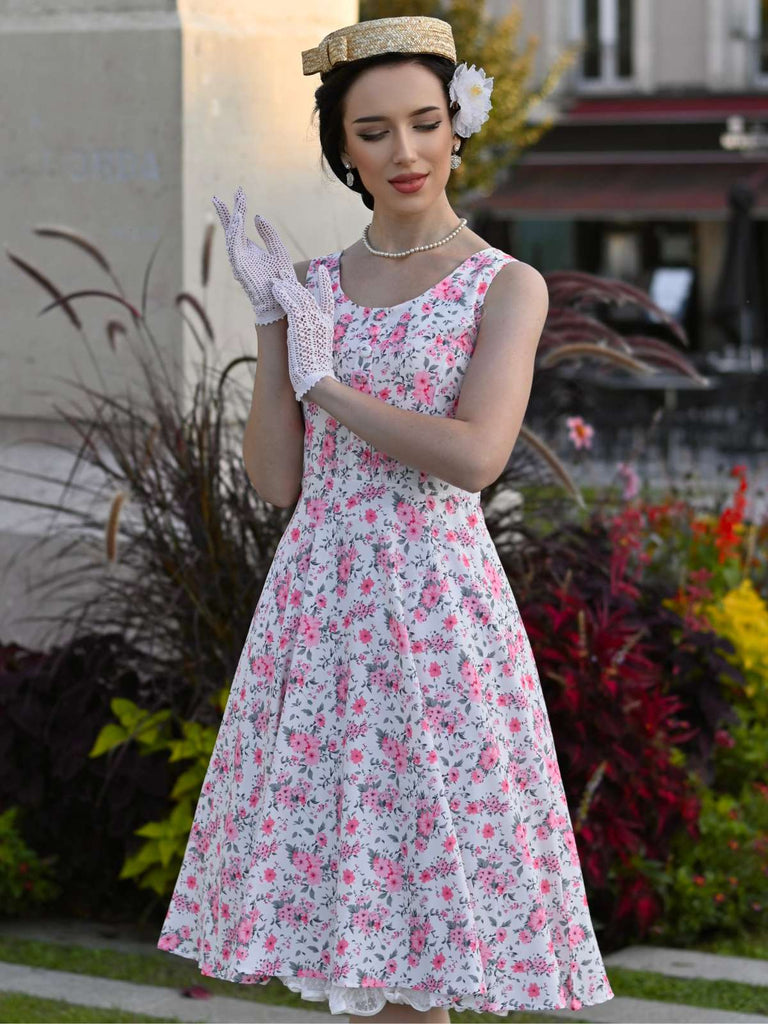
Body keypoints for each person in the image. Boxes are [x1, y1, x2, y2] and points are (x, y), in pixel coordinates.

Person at [156, 15, 615, 1024]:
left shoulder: (506, 285)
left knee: (427, 925)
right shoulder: (316, 284)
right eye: (374, 131)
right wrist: (275, 321)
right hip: (319, 615)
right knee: (353, 920)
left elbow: (475, 455)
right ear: (344, 151)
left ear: (459, 126)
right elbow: (278, 481)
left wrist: (329, 387)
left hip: (435, 612)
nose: (404, 152)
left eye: (424, 121)